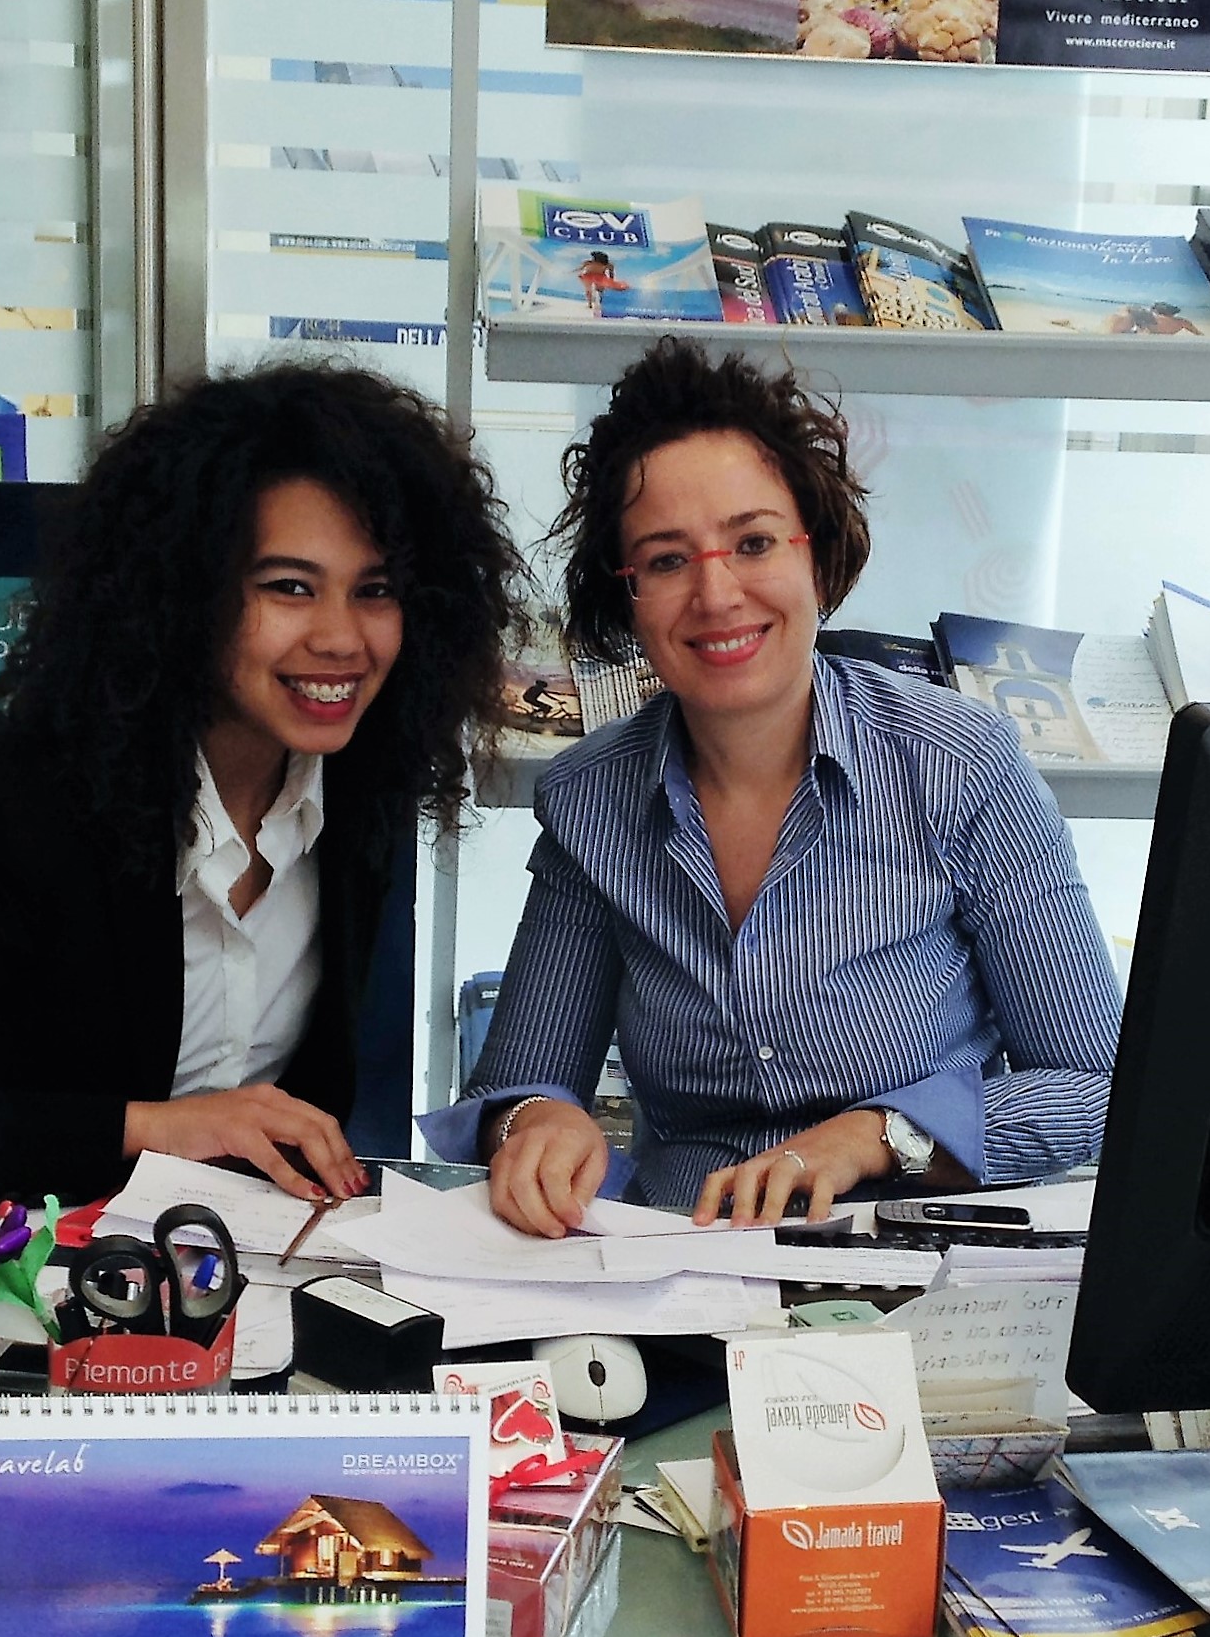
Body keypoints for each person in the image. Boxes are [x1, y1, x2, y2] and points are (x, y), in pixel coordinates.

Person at [423, 339, 1123, 1237]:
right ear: (625, 597)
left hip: (916, 1253)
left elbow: (1098, 1085)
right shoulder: (589, 799)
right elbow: (517, 1083)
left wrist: (878, 1136)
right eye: (666, 561)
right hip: (684, 1257)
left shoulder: (962, 764)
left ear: (817, 557)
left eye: (753, 543)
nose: (716, 595)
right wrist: (536, 1121)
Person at [0, 361, 521, 1206]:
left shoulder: (361, 793)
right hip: (32, 1268)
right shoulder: (5, 816)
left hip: (240, 1265)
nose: (341, 638)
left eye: (376, 591)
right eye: (289, 588)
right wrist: (147, 1128)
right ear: (183, 591)